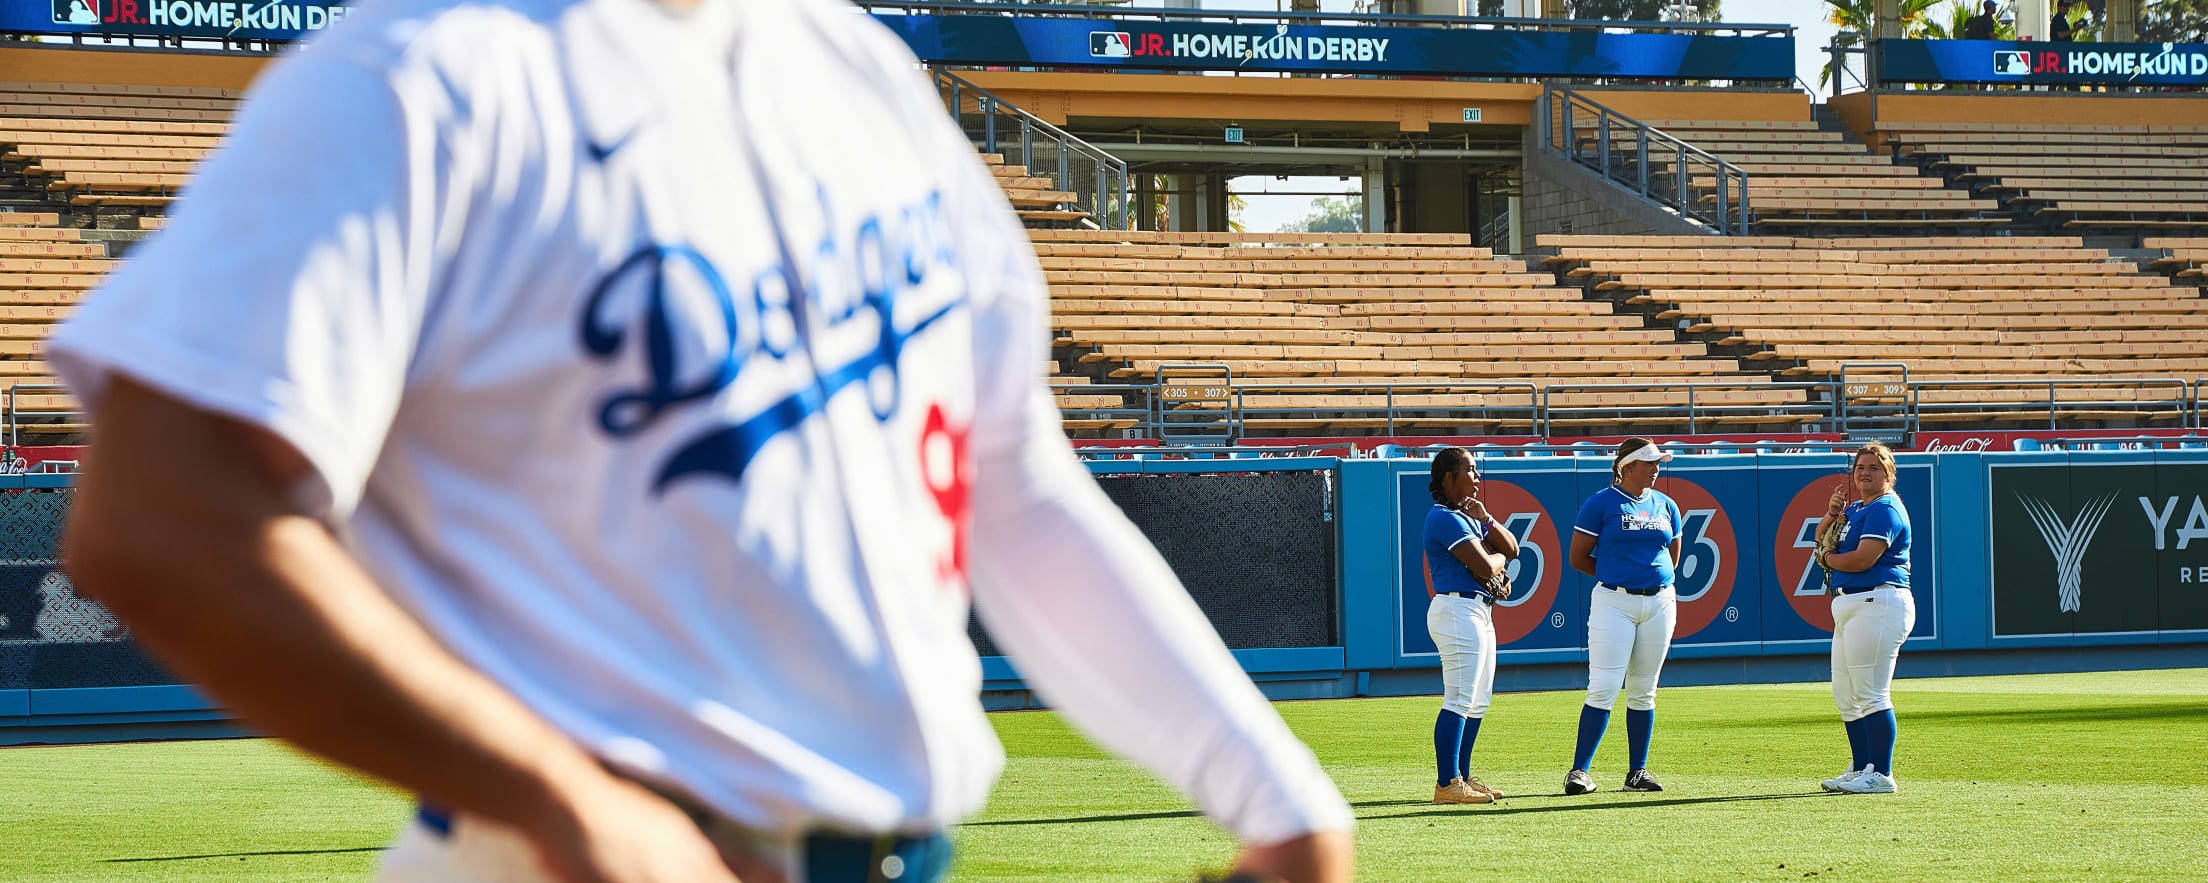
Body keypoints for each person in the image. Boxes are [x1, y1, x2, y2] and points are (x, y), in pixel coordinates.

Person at [49, 0, 1356, 880]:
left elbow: (1007, 479)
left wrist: (1271, 790)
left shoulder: (848, 62)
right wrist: (561, 794)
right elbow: (162, 516)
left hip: (894, 841)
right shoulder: (414, 73)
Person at [1561, 438, 1682, 796]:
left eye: (1658, 462)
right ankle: (1579, 771)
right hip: (1614, 600)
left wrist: (1649, 577)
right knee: (1604, 686)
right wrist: (1618, 572)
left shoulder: (1666, 504)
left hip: (1659, 601)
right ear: (1626, 466)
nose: (1656, 467)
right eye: (1649, 462)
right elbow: (1578, 557)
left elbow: (1671, 556)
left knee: (1644, 690)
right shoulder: (1601, 503)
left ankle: (1637, 772)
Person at [1814, 442, 1916, 796]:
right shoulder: (1857, 507)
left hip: (1879, 600)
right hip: (1852, 605)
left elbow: (1861, 560)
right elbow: (1822, 539)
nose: (1865, 473)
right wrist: (1830, 516)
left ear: (1888, 473)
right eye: (1860, 467)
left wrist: (1827, 559)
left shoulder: (1886, 508)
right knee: (1846, 694)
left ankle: (1882, 773)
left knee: (1872, 693)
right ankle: (1861, 767)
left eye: (1874, 467)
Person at [1422, 448, 1519, 806]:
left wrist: (1488, 519)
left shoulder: (1469, 516)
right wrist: (1497, 563)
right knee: (1460, 697)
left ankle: (1461, 777)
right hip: (1456, 608)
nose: (1477, 478)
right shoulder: (1443, 517)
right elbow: (1486, 563)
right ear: (1449, 477)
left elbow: (1513, 547)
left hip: (1478, 609)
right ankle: (1447, 782)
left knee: (1478, 701)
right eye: (1470, 470)